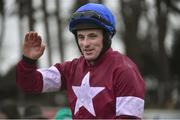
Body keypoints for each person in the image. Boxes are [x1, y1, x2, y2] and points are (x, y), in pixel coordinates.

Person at [16, 3, 145, 119]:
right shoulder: (71, 68)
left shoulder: (125, 70)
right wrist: (28, 61)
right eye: (81, 37)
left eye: (92, 36)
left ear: (107, 37)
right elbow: (29, 84)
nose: (85, 43)